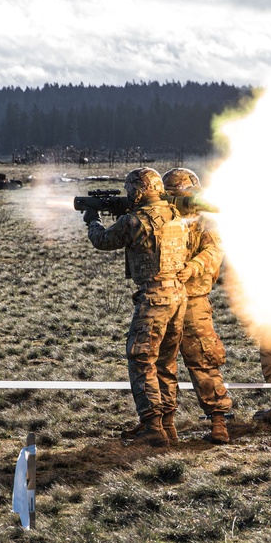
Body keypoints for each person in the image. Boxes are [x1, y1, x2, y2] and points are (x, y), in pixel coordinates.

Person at [82, 167, 188, 447]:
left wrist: (92, 220)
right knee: (166, 362)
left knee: (141, 359)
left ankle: (152, 426)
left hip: (154, 299)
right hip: (178, 295)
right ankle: (168, 425)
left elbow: (102, 241)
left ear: (138, 191)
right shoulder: (176, 215)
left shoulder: (135, 221)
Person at [162, 167, 232, 445]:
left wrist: (194, 267)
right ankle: (162, 425)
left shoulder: (207, 221)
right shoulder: (163, 220)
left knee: (203, 360)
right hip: (164, 300)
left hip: (193, 301)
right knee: (161, 364)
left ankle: (218, 420)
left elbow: (214, 251)